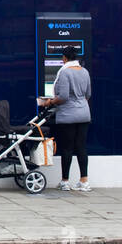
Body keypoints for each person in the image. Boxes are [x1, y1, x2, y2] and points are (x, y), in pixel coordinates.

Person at [38, 48, 92, 192]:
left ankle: (65, 181)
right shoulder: (85, 72)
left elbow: (63, 97)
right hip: (84, 114)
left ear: (64, 58)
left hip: (68, 115)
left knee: (67, 148)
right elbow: (88, 94)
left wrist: (48, 102)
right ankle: (84, 181)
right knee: (81, 147)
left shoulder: (64, 72)